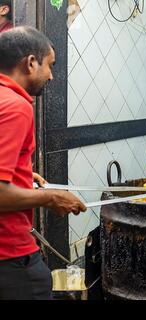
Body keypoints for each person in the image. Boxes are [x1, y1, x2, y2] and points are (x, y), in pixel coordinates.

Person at [0, 27, 86, 300]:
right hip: (10, 257)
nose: (50, 75)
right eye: (49, 65)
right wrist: (50, 198)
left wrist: (23, 174)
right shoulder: (16, 106)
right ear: (31, 63)